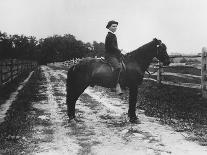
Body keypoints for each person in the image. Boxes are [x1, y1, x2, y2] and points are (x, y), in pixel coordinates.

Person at [105, 20, 123, 95]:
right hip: (110, 55)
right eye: (113, 26)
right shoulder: (109, 35)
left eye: (116, 26)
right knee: (118, 67)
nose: (115, 28)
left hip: (114, 55)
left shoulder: (113, 35)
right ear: (109, 27)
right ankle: (113, 86)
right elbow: (112, 47)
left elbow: (114, 47)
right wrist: (119, 51)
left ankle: (121, 84)